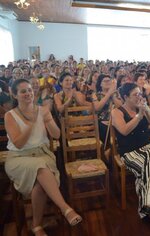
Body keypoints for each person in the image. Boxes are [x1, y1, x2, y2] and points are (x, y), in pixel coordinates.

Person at [4, 79, 82, 236]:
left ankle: (36, 226)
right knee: (40, 167)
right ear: (14, 94)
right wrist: (32, 122)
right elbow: (18, 143)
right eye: (23, 91)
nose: (28, 93)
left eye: (30, 90)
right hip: (19, 158)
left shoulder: (42, 110)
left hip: (42, 154)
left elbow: (57, 135)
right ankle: (65, 208)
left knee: (40, 184)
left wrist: (47, 119)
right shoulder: (10, 115)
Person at [111, 83, 150, 227]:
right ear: (125, 97)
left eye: (140, 94)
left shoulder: (142, 107)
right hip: (129, 153)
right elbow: (124, 131)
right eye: (135, 95)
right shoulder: (117, 112)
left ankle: (147, 204)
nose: (139, 97)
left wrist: (146, 109)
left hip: (147, 149)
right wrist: (139, 116)